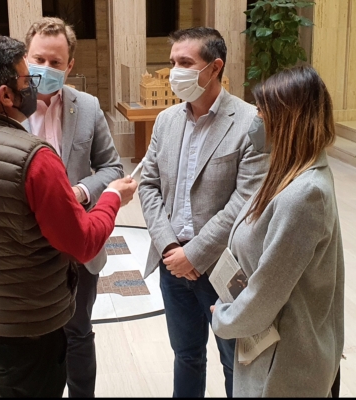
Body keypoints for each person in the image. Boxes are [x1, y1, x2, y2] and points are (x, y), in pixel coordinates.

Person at [0, 34, 137, 398]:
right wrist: (111, 197)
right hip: (29, 328)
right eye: (26, 78)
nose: (35, 82)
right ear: (5, 95)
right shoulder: (34, 157)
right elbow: (81, 242)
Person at [138, 27, 269, 398]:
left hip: (222, 268)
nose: (174, 72)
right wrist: (168, 248)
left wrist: (194, 254)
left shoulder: (249, 123)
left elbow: (246, 201)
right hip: (171, 264)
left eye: (185, 63)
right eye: (172, 62)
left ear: (215, 68)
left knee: (235, 360)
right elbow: (148, 185)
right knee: (187, 355)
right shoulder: (166, 121)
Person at [211, 65, 344, 397]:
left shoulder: (305, 194)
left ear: (287, 120)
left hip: (284, 364)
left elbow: (267, 292)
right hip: (264, 346)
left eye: (260, 110)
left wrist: (225, 319)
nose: (254, 119)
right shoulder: (286, 172)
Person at [23, 17, 124, 398]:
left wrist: (80, 193)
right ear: (25, 58)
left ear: (70, 66)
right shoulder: (6, 107)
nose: (45, 69)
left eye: (55, 63)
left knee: (78, 330)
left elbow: (112, 167)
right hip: (27, 245)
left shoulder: (88, 106)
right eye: (38, 60)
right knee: (34, 336)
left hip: (78, 242)